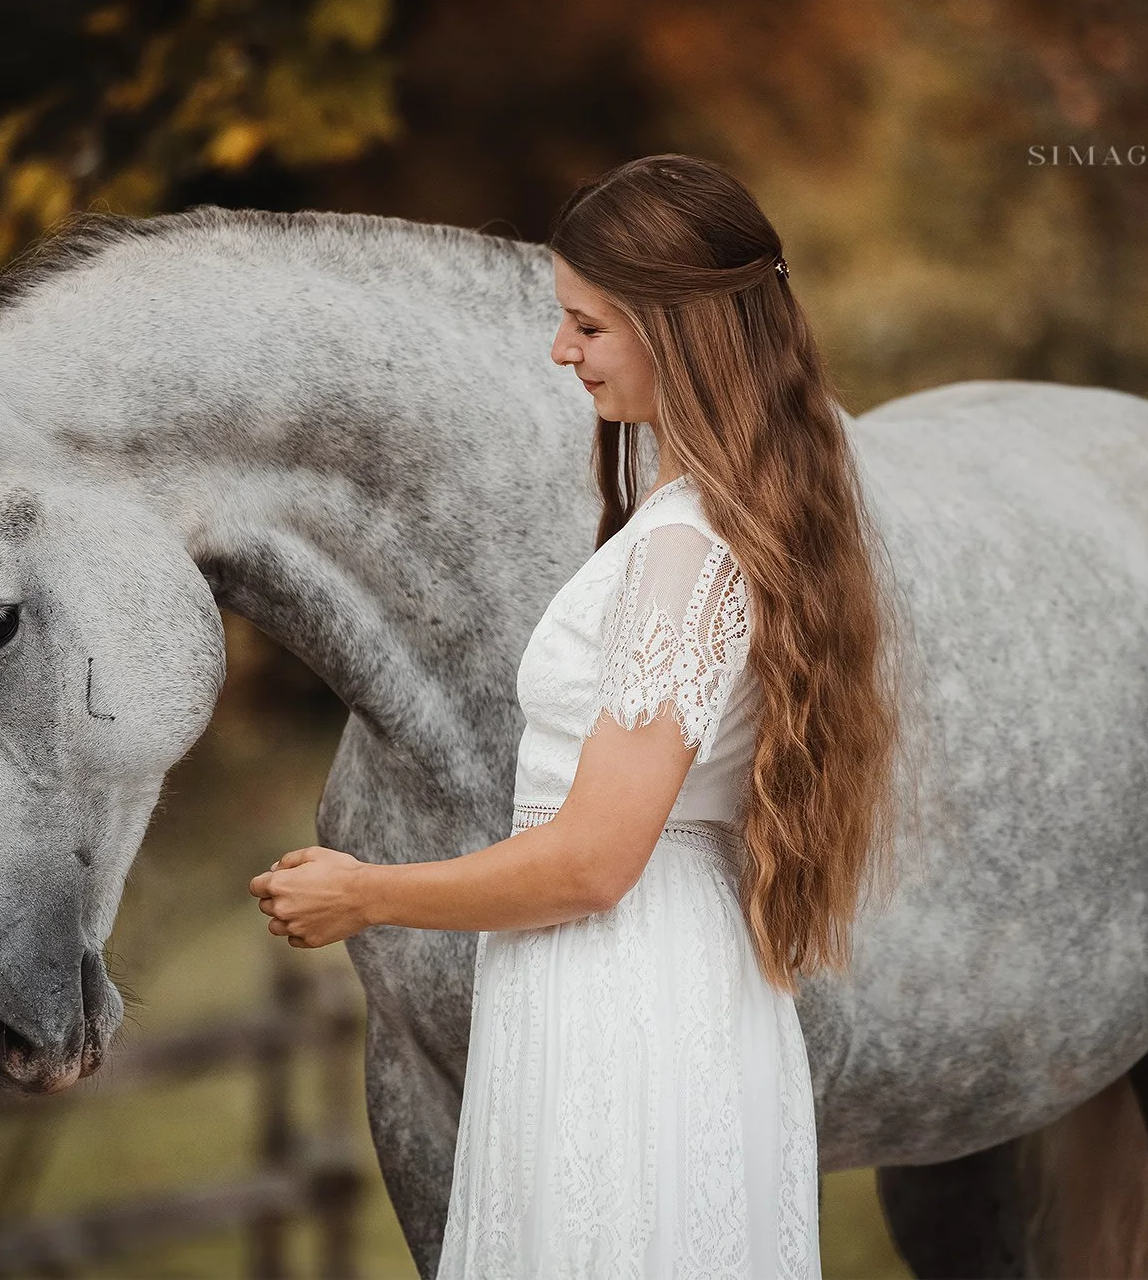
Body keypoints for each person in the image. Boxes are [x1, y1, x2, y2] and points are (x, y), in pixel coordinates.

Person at [249, 154, 905, 1278]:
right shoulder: (710, 521)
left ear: (679, 330)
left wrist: (366, 893)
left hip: (627, 994)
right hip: (648, 974)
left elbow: (596, 860)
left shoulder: (685, 553)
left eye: (586, 326)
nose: (562, 353)